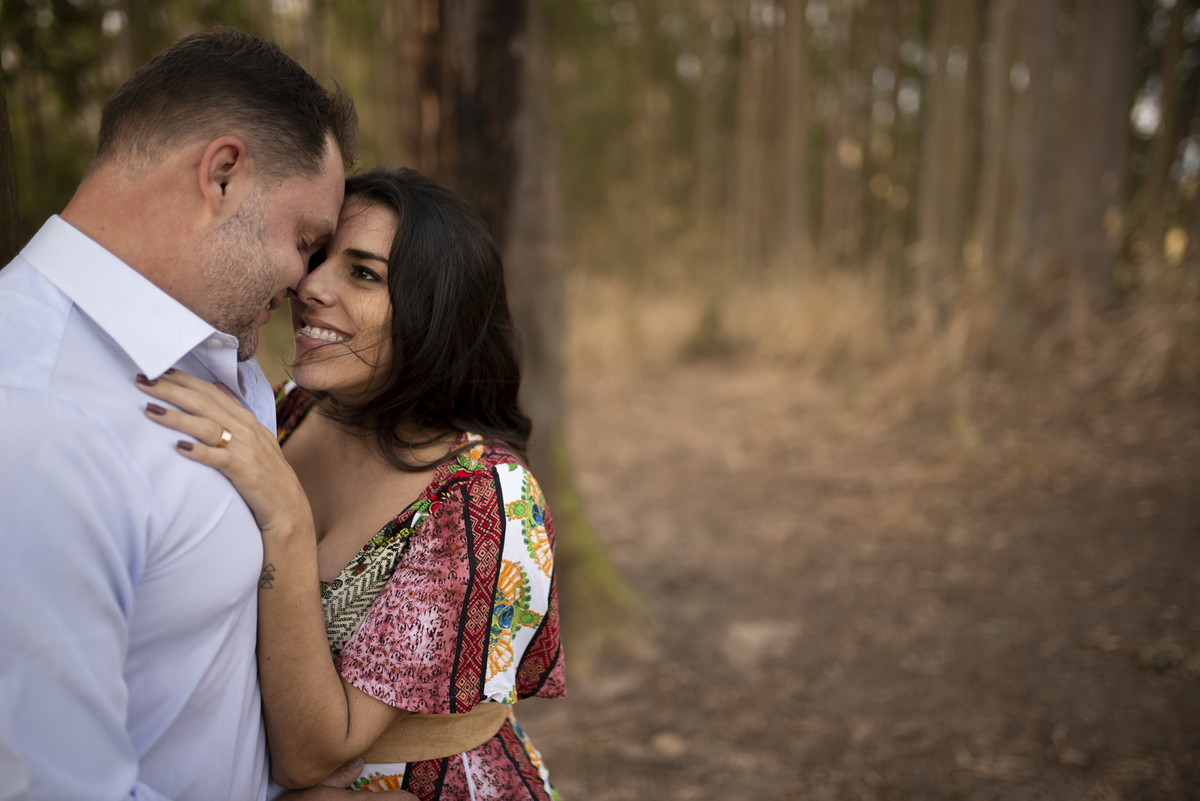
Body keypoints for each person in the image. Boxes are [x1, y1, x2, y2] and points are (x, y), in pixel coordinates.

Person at [0, 27, 408, 801]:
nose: (303, 281)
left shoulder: (220, 358)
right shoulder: (37, 419)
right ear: (221, 175)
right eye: (306, 240)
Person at [135, 168, 567, 799]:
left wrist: (287, 519)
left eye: (363, 273)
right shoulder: (286, 412)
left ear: (434, 312)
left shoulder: (481, 500)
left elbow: (315, 756)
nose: (309, 285)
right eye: (317, 257)